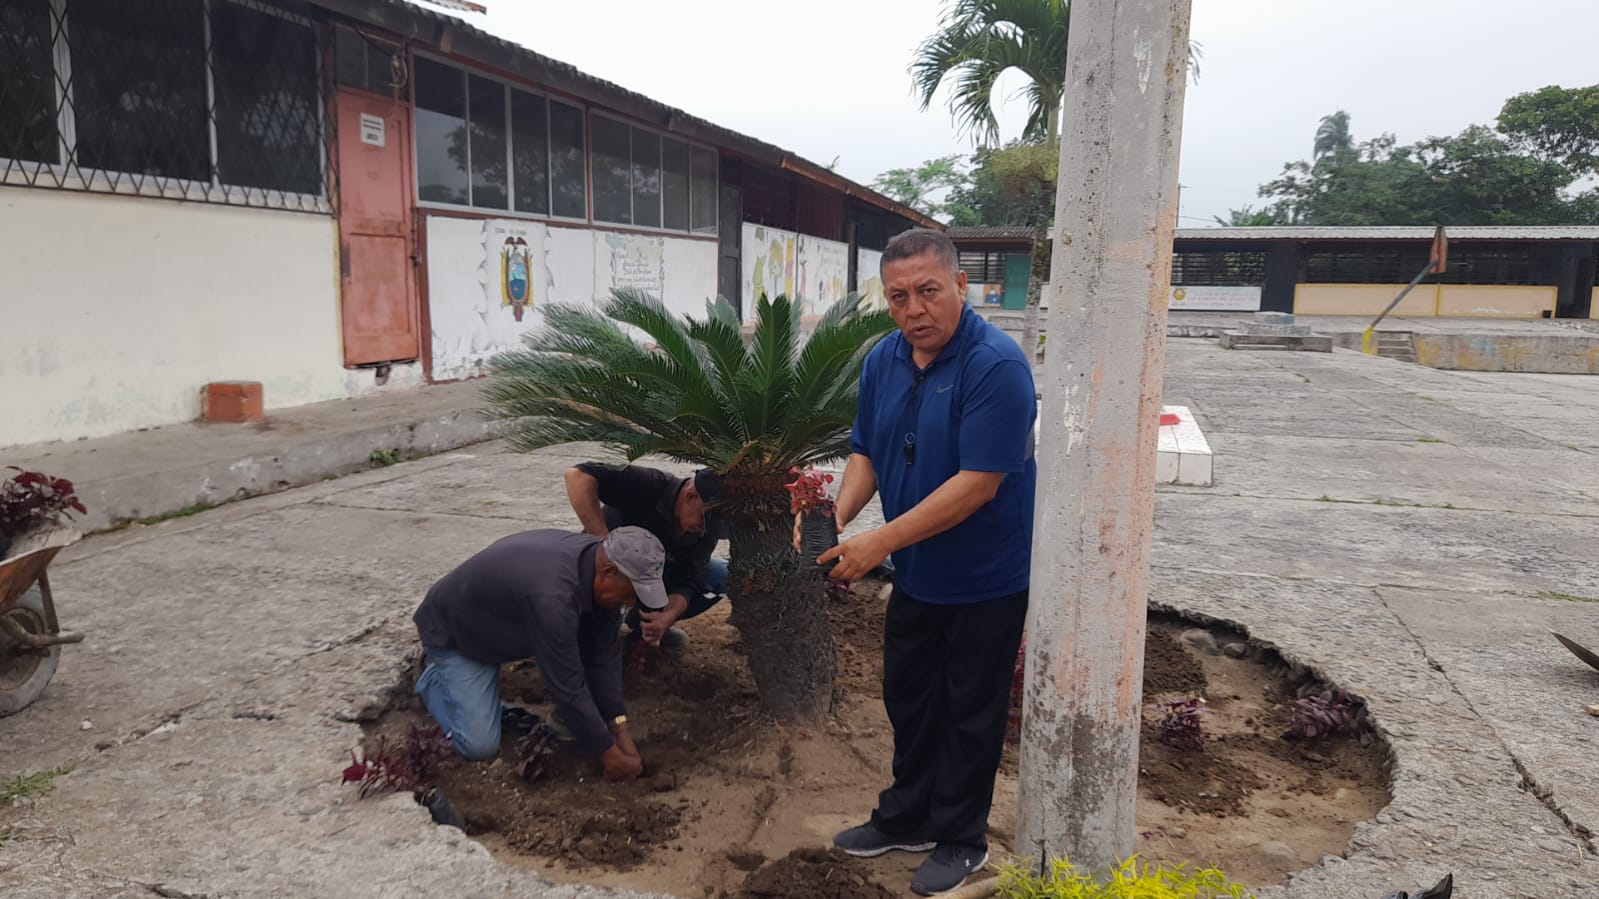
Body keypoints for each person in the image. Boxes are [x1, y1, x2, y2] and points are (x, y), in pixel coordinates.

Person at [818, 229, 1037, 896]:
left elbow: (978, 484)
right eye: (898, 297)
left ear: (961, 286)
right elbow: (866, 450)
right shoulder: (882, 359)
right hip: (916, 571)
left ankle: (961, 838)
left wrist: (880, 541)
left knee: (970, 710)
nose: (913, 309)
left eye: (928, 291)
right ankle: (907, 816)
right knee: (909, 697)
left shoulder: (995, 366)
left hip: (986, 577)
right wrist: (836, 518)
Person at [412, 526, 669, 782]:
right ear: (608, 572)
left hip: (500, 625)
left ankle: (470, 689)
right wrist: (608, 753)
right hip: (456, 634)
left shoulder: (598, 564)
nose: (631, 603)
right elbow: (566, 685)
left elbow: (604, 657)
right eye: (630, 594)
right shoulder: (552, 597)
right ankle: (433, 677)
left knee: (587, 699)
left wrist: (619, 730)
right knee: (479, 746)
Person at [565, 462, 725, 649]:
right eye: (703, 520)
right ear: (689, 496)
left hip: (657, 575)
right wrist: (602, 541)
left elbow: (689, 578)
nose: (704, 530)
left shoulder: (707, 530)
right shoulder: (649, 485)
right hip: (607, 572)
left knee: (722, 574)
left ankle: (642, 624)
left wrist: (667, 617)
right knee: (588, 639)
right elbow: (577, 475)